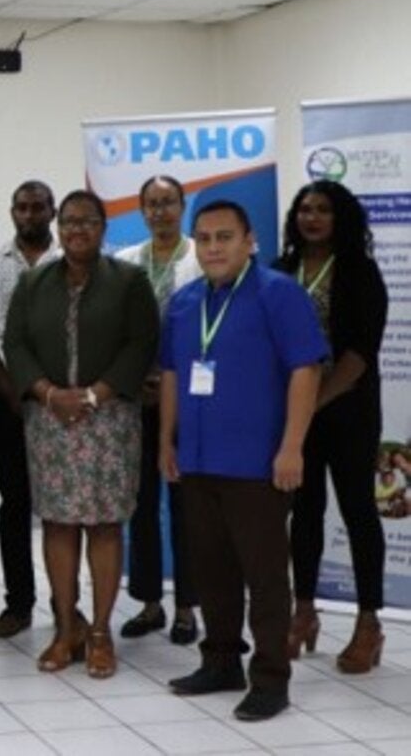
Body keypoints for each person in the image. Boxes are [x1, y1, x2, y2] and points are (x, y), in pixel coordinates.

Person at [161, 200, 326, 722]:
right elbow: (170, 374)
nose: (213, 247)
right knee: (211, 570)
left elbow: (306, 369)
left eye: (224, 237)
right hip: (198, 460)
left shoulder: (280, 294)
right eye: (204, 238)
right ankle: (221, 661)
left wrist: (293, 445)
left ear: (249, 241)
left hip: (258, 463)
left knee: (265, 576)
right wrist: (166, 440)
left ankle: (271, 678)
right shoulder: (185, 302)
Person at [3, 191, 158, 680]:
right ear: (58, 226)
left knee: (106, 526)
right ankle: (66, 627)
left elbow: (141, 343)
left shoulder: (129, 281)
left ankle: (101, 633)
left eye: (87, 222)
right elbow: (15, 343)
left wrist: (94, 396)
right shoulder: (32, 283)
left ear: (103, 227)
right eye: (68, 222)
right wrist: (50, 395)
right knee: (57, 524)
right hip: (50, 421)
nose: (76, 230)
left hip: (109, 420)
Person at [274, 180, 388, 674]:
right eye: (304, 209)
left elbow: (361, 352)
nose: (312, 218)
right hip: (294, 412)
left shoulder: (361, 273)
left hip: (347, 409)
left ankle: (368, 623)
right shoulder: (281, 271)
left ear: (340, 217)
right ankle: (303, 612)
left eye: (322, 210)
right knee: (304, 512)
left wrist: (316, 401)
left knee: (359, 510)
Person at [0, 180, 60, 638]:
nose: (29, 214)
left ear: (52, 210)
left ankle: (68, 606)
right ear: (12, 212)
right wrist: (15, 394)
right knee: (15, 503)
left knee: (65, 508)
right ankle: (18, 604)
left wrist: (49, 394)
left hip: (63, 403)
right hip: (4, 402)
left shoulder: (72, 262)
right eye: (21, 207)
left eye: (38, 207)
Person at [114, 176, 202, 646]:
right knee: (141, 505)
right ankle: (150, 604)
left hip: (189, 400)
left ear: (182, 207)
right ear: (141, 209)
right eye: (151, 203)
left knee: (187, 505)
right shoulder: (127, 262)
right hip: (136, 398)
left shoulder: (199, 258)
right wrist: (137, 382)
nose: (159, 211)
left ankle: (188, 607)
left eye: (168, 203)